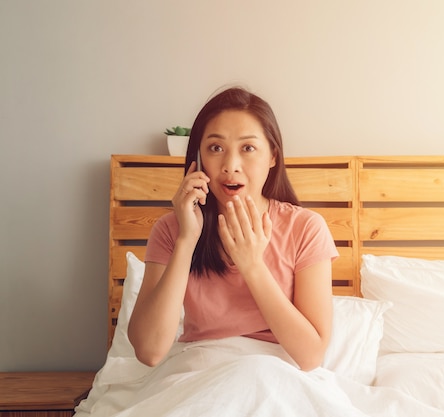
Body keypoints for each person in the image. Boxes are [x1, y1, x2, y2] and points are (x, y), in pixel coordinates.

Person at [128, 87, 338, 372]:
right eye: (216, 148)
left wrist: (252, 265)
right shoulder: (172, 230)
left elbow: (311, 356)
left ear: (273, 156)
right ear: (198, 159)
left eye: (248, 148)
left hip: (276, 377)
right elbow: (149, 352)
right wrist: (187, 240)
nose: (230, 166)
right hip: (199, 374)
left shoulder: (305, 228)